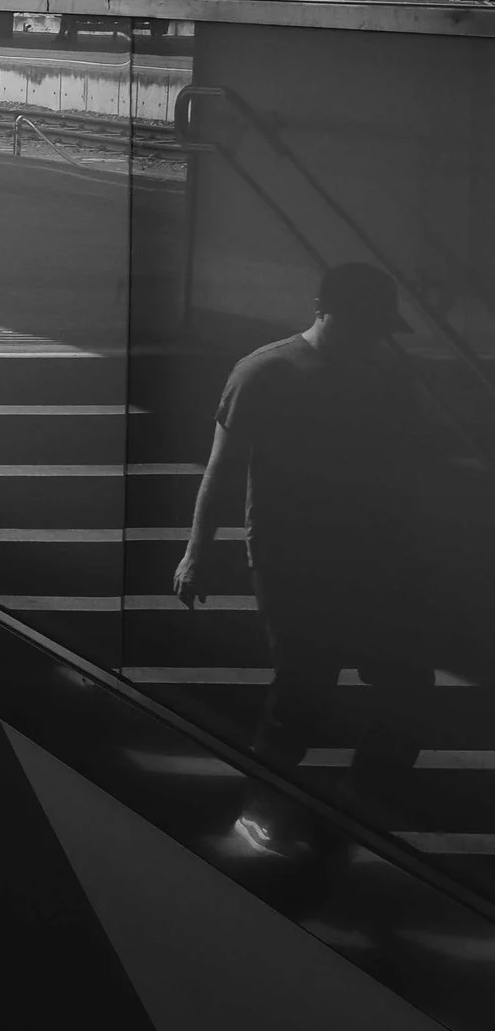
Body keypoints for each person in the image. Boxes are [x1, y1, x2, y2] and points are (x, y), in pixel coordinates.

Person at [175, 262, 470, 855]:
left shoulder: (381, 374)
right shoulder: (265, 372)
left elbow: (409, 464)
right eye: (363, 323)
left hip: (372, 556)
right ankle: (268, 807)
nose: (371, 336)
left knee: (402, 686)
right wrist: (196, 552)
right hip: (289, 558)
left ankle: (351, 805)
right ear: (324, 311)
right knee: (306, 686)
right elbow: (223, 468)